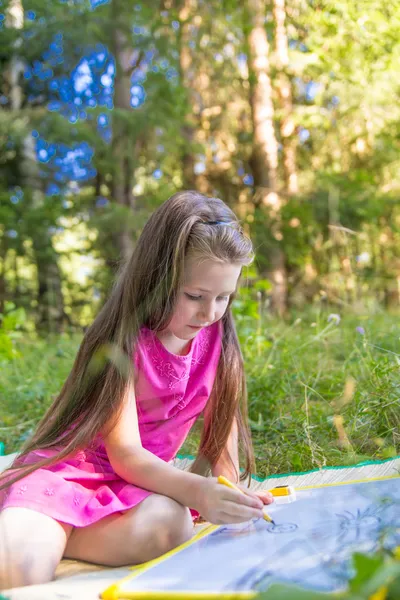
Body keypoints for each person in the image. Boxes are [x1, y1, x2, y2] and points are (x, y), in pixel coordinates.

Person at [0, 190, 273, 590]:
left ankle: (61, 535)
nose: (210, 312)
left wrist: (232, 497)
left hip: (137, 489)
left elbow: (220, 444)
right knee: (16, 573)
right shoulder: (122, 340)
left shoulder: (218, 339)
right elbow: (125, 454)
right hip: (72, 473)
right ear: (159, 276)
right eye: (195, 296)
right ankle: (42, 515)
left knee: (174, 522)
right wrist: (199, 490)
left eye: (224, 297)